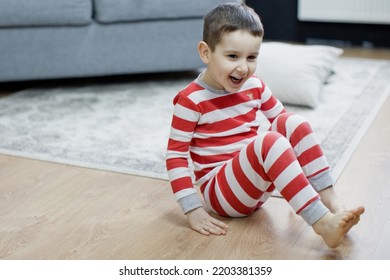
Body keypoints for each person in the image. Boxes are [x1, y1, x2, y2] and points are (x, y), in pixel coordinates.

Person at [165, 2, 364, 248]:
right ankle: (322, 223)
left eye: (252, 57)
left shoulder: (254, 85)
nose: (243, 67)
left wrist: (299, 182)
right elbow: (175, 157)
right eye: (232, 56)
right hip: (220, 193)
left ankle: (333, 204)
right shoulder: (191, 100)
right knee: (270, 142)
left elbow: (287, 129)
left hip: (254, 187)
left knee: (294, 122)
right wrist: (192, 209)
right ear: (206, 53)